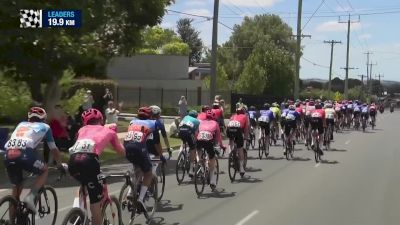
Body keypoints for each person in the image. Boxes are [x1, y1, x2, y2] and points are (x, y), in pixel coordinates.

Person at [68, 108, 124, 225]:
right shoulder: (109, 131)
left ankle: (77, 209)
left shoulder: (81, 130)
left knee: (84, 182)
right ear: (101, 119)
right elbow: (121, 152)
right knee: (95, 201)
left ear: (85, 122)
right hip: (90, 161)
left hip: (73, 161)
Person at [4, 107, 65, 213]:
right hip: (25, 153)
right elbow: (54, 149)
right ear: (44, 119)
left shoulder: (21, 124)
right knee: (44, 170)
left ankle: (12, 220)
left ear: (29, 118)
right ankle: (31, 197)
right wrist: (59, 165)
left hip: (8, 154)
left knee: (17, 186)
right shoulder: (45, 126)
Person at [123, 107, 158, 213]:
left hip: (127, 146)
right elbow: (155, 142)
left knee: (137, 169)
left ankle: (130, 192)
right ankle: (141, 199)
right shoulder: (153, 122)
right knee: (148, 173)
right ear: (150, 116)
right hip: (139, 147)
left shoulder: (132, 121)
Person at [197, 110, 225, 189]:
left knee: (198, 152)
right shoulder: (215, 123)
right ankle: (212, 180)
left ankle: (200, 166)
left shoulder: (201, 122)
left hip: (199, 139)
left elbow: (197, 133)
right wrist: (221, 146)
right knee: (212, 158)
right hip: (208, 140)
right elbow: (218, 137)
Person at [227, 106, 250, 177]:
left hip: (230, 129)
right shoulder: (245, 116)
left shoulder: (233, 116)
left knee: (231, 140)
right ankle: (241, 168)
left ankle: (230, 153)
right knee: (240, 148)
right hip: (238, 130)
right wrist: (246, 138)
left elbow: (228, 125)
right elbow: (246, 128)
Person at [178, 110, 200, 178]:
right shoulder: (197, 121)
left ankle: (181, 155)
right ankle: (191, 169)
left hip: (180, 132)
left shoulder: (185, 117)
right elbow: (196, 133)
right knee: (193, 148)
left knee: (183, 142)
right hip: (189, 132)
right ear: (196, 116)